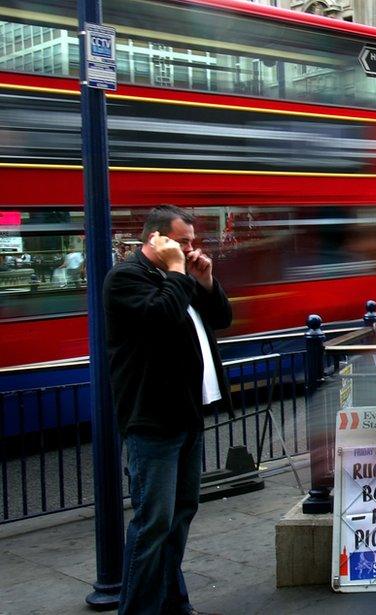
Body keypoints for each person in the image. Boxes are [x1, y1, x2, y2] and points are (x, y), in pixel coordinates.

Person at [104, 205, 232, 615]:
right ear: (155, 239)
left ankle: (173, 602)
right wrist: (178, 273)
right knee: (153, 523)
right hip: (152, 418)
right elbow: (159, 316)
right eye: (183, 241)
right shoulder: (126, 278)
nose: (190, 249)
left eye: (193, 242)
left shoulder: (179, 279)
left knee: (180, 516)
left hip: (187, 412)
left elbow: (221, 318)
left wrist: (205, 280)